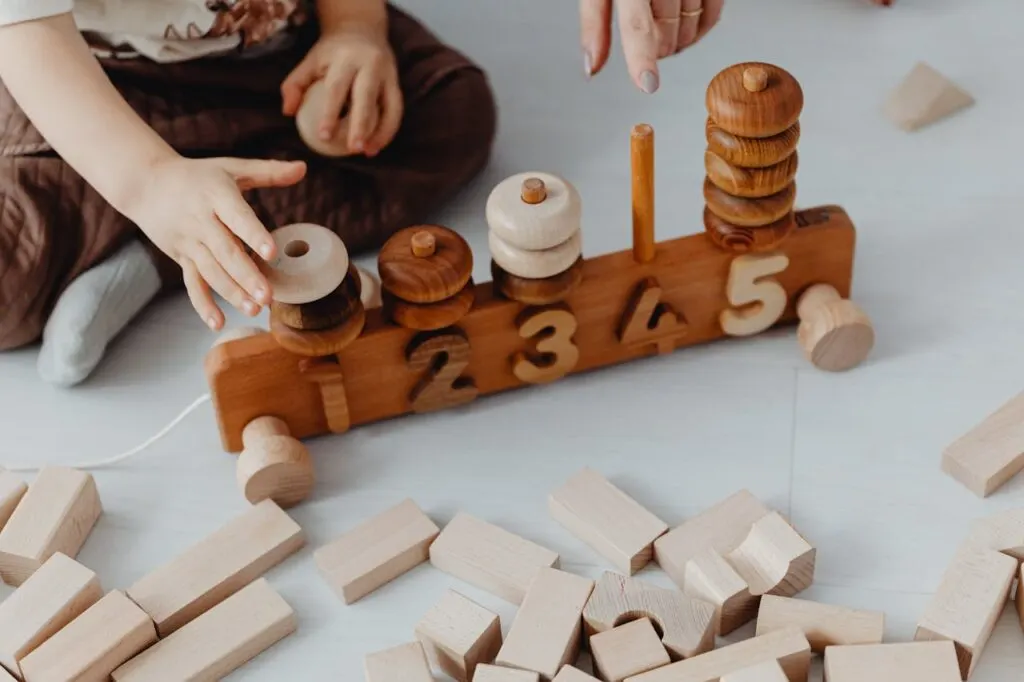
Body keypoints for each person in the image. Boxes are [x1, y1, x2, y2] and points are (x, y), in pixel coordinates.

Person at [0, 0, 725, 387]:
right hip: (92, 88)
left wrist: (354, 30)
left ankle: (166, 251)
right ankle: (168, 217)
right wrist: (148, 182)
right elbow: (28, 34)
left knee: (451, 114)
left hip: (282, 53)